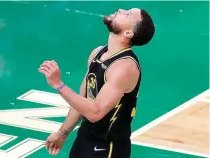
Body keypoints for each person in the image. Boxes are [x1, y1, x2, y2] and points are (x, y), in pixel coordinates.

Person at [38, 8, 155, 158]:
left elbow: (95, 112)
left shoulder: (124, 67)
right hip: (84, 140)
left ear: (128, 33)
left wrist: (58, 84)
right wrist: (62, 133)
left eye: (127, 14)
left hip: (107, 148)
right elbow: (82, 101)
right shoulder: (98, 52)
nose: (120, 9)